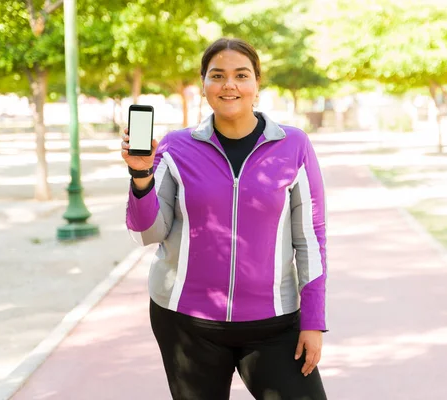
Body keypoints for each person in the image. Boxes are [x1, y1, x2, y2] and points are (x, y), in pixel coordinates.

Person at [121, 37, 328, 400]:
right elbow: (147, 233)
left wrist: (313, 320)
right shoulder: (176, 147)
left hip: (273, 321)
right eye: (217, 75)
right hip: (187, 321)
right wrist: (141, 178)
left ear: (256, 85)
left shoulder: (294, 146)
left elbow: (311, 237)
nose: (229, 84)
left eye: (241, 75)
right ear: (203, 85)